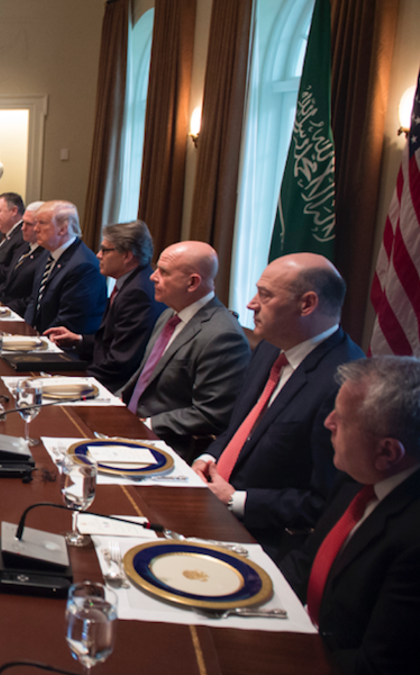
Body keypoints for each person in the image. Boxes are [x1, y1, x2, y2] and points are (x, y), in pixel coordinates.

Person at [193, 253, 364, 556]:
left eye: (265, 295)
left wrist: (237, 500)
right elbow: (240, 429)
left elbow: (326, 501)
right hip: (210, 504)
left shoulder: (345, 382)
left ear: (307, 304)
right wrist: (209, 456)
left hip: (266, 540)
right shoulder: (271, 347)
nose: (250, 303)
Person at [277, 356, 420, 675]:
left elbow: (374, 666)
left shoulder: (413, 542)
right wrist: (249, 591)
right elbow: (306, 561)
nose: (328, 422)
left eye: (341, 419)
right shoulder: (356, 476)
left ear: (387, 452)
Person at [119, 241, 249, 455]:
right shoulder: (169, 314)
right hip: (130, 423)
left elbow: (211, 414)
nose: (153, 276)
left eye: (164, 272)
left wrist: (147, 423)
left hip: (166, 445)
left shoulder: (223, 337)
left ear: (192, 283)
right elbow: (145, 378)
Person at [44, 220, 165, 393]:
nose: (98, 255)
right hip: (103, 371)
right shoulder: (130, 282)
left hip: (116, 387)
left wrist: (73, 382)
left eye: (105, 250)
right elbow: (113, 339)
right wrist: (79, 339)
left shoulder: (138, 293)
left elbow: (121, 361)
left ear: (127, 256)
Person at [22, 200, 108, 335]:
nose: (35, 228)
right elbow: (35, 299)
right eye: (36, 222)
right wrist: (26, 331)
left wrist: (36, 341)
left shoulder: (84, 266)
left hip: (64, 346)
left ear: (63, 229)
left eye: (42, 223)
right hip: (38, 337)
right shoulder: (47, 252)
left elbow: (69, 321)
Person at [0, 200, 45, 315]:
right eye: (23, 223)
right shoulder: (24, 245)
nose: (22, 228)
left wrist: (5, 309)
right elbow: (8, 281)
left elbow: (32, 297)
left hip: (17, 313)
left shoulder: (45, 254)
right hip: (2, 307)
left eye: (28, 224)